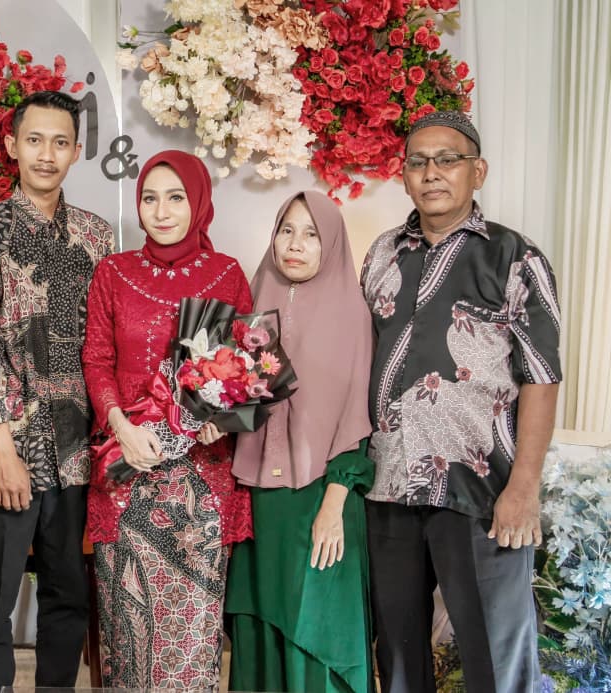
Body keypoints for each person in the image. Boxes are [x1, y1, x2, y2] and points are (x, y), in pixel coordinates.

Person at [360, 111, 561, 692]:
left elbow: (541, 376)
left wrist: (523, 488)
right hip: (390, 485)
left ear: (478, 171)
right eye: (418, 162)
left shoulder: (514, 256)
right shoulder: (382, 255)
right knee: (398, 655)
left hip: (482, 487)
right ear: (403, 176)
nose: (432, 173)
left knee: (496, 657)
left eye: (447, 160)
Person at [0, 90, 115, 693]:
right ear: (12, 145)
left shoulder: (96, 237)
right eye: (35, 140)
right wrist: (2, 448)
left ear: (76, 151)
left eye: (60, 142)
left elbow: (104, 344)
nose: (47, 154)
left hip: (75, 454)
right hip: (3, 451)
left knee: (69, 593)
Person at [82, 150, 253, 690]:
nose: (161, 211)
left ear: (198, 203)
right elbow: (97, 360)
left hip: (201, 479)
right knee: (127, 632)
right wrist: (122, 427)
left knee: (194, 638)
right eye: (150, 198)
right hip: (127, 468)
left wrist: (223, 417)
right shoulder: (114, 272)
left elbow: (245, 365)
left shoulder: (227, 274)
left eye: (176, 198)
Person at [224, 191, 375, 692]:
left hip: (320, 498)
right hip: (257, 500)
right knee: (261, 625)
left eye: (312, 234)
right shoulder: (254, 301)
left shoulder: (352, 315)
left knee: (314, 630)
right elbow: (234, 399)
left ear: (331, 244)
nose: (295, 244)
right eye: (286, 230)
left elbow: (357, 418)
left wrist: (333, 505)